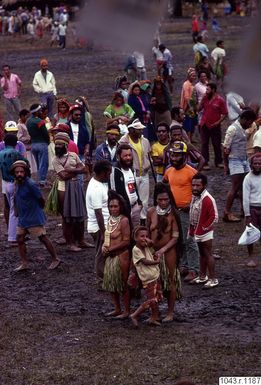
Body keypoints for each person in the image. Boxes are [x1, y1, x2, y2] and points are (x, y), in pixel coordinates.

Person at [10, 160, 60, 271]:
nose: (19, 174)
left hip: (33, 217)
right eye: (17, 172)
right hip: (23, 218)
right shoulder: (17, 183)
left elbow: (41, 199)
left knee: (42, 237)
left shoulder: (31, 184)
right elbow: (16, 198)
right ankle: (24, 263)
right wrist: (17, 211)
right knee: (20, 238)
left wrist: (38, 211)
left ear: (26, 172)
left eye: (21, 172)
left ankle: (55, 259)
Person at [163, 141, 199, 282]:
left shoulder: (192, 172)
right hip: (173, 212)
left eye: (178, 155)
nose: (174, 158)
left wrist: (191, 206)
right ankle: (183, 265)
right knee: (179, 240)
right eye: (172, 155)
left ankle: (194, 269)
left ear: (185, 156)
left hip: (187, 212)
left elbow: (200, 193)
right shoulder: (169, 171)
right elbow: (165, 184)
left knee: (189, 240)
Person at [147, 183, 182, 322]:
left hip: (168, 252)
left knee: (170, 280)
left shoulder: (173, 213)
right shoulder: (150, 212)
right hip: (153, 251)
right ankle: (154, 313)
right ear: (156, 199)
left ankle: (170, 313)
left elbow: (175, 237)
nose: (163, 202)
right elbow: (147, 232)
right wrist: (147, 246)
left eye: (166, 200)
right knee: (152, 282)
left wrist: (163, 250)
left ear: (169, 199)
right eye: (160, 200)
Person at [52, 132, 90, 252]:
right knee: (67, 216)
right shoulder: (55, 160)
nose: (57, 146)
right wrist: (77, 170)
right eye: (56, 144)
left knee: (80, 215)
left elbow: (85, 169)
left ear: (66, 145)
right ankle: (70, 243)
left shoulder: (73, 155)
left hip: (76, 186)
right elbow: (63, 176)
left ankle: (81, 240)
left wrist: (71, 170)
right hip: (63, 188)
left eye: (60, 144)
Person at [223, 109, 257, 222]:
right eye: (250, 122)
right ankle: (226, 212)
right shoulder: (232, 129)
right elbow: (226, 149)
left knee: (245, 187)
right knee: (235, 187)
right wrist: (226, 165)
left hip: (244, 160)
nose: (250, 125)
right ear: (245, 119)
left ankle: (244, 210)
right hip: (235, 161)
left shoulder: (242, 128)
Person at [102, 191, 131, 319]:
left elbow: (126, 241)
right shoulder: (109, 219)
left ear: (121, 207)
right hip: (110, 256)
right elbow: (107, 237)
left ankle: (127, 310)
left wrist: (112, 249)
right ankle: (117, 308)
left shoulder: (124, 221)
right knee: (112, 284)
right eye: (111, 206)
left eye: (116, 206)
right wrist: (104, 246)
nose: (113, 209)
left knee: (123, 284)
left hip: (121, 256)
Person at [189, 173, 219, 288]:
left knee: (208, 254)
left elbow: (214, 217)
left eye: (198, 185)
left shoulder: (207, 199)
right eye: (193, 185)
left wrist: (204, 228)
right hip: (198, 230)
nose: (195, 188)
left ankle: (213, 279)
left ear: (204, 185)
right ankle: (202, 277)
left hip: (204, 231)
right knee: (202, 254)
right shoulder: (195, 196)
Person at [119, 119, 151, 224]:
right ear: (131, 130)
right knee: (132, 198)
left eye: (141, 129)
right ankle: (131, 220)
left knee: (145, 201)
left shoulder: (145, 141)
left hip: (144, 174)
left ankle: (142, 221)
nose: (141, 131)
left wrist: (148, 166)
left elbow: (148, 155)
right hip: (132, 174)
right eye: (138, 129)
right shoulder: (123, 141)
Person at [130, 226, 163, 327]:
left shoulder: (147, 247)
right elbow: (145, 261)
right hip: (148, 279)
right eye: (142, 236)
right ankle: (134, 315)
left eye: (147, 236)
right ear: (135, 238)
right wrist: (156, 261)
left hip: (155, 276)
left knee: (157, 297)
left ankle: (153, 317)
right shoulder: (136, 250)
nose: (144, 238)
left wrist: (149, 242)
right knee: (151, 300)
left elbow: (153, 246)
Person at [86, 160, 112, 282]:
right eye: (108, 173)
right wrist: (103, 232)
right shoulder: (95, 188)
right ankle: (101, 278)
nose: (109, 176)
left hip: (102, 226)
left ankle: (104, 277)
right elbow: (98, 213)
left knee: (104, 253)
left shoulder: (99, 182)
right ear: (102, 173)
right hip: (98, 227)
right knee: (101, 254)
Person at [0, 134, 26, 246]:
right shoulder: (16, 153)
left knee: (10, 208)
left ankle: (15, 234)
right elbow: (26, 164)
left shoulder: (0, 153)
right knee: (14, 210)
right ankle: (13, 237)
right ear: (16, 143)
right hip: (14, 183)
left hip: (5, 182)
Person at [109, 144, 142, 229]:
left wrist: (139, 202)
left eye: (130, 155)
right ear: (119, 156)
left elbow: (134, 185)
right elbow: (113, 192)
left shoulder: (131, 169)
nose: (128, 158)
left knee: (136, 232)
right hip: (124, 210)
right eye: (125, 156)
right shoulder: (114, 170)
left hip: (135, 207)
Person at [199, 82, 228, 170]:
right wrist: (202, 100)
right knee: (204, 144)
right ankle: (205, 162)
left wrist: (218, 122)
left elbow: (225, 113)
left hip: (215, 126)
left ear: (213, 90)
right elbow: (198, 109)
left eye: (208, 89)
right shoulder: (205, 99)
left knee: (216, 144)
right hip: (204, 125)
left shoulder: (220, 100)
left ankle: (218, 161)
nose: (206, 91)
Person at [242, 153, 261, 267]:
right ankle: (251, 258)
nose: (258, 165)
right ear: (251, 165)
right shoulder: (248, 178)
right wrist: (247, 214)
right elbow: (245, 197)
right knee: (250, 234)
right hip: (252, 209)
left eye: (260, 163)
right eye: (255, 163)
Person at [27, 103, 50, 187]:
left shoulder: (28, 121)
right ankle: (42, 181)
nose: (41, 112)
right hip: (42, 144)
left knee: (38, 163)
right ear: (36, 112)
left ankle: (40, 180)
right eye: (40, 110)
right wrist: (47, 142)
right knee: (43, 163)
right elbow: (45, 134)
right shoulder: (40, 121)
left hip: (33, 145)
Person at [180, 68, 198, 142]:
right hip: (188, 107)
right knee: (188, 123)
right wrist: (190, 106)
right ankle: (188, 139)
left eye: (195, 76)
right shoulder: (186, 84)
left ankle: (191, 138)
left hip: (192, 106)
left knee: (193, 123)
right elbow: (186, 97)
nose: (194, 77)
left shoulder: (191, 84)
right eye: (192, 76)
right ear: (189, 76)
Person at [17, 109, 37, 174]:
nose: (27, 118)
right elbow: (19, 138)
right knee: (28, 166)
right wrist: (28, 139)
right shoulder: (19, 126)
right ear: (22, 116)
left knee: (32, 167)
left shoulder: (25, 124)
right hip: (25, 149)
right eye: (26, 116)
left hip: (29, 148)